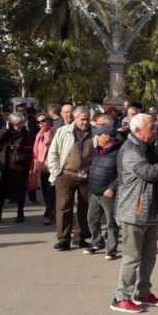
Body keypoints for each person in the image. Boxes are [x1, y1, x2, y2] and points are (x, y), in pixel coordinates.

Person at [109, 114, 158, 313]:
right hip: (133, 212)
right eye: (151, 128)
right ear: (137, 131)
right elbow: (150, 173)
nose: (155, 131)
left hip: (151, 210)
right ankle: (121, 297)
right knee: (132, 257)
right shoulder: (129, 151)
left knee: (149, 257)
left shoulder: (149, 147)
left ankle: (143, 293)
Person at [47, 106, 93, 251]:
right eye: (82, 119)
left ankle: (80, 237)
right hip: (65, 175)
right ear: (75, 118)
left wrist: (90, 171)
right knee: (64, 207)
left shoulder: (95, 134)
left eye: (87, 119)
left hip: (87, 176)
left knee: (84, 207)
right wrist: (56, 172)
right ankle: (63, 239)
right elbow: (53, 153)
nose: (85, 122)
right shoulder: (63, 131)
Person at [85, 123, 121, 260]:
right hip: (95, 192)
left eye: (99, 135)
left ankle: (111, 250)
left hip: (108, 194)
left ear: (107, 137)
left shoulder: (119, 152)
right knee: (92, 219)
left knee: (112, 223)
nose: (97, 137)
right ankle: (97, 242)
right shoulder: (98, 150)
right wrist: (86, 172)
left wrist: (112, 187)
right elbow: (94, 166)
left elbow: (122, 174)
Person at [0, 112, 33, 224]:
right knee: (1, 190)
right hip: (5, 165)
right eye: (17, 123)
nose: (20, 125)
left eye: (21, 123)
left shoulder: (26, 134)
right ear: (11, 123)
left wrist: (21, 147)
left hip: (19, 165)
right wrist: (6, 129)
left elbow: (31, 148)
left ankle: (20, 213)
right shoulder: (6, 133)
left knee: (20, 190)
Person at [30, 114, 56, 225]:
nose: (41, 123)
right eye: (38, 122)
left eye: (43, 121)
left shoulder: (54, 132)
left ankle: (49, 214)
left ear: (49, 121)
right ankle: (51, 211)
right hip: (42, 167)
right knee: (45, 191)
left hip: (52, 166)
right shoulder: (39, 134)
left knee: (51, 191)